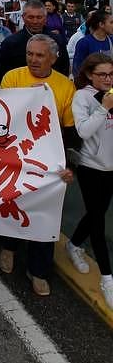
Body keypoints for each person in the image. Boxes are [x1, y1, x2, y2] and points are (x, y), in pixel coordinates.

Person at [0, 35, 75, 296]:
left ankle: (39, 270)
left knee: (45, 213)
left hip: (49, 163)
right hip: (15, 158)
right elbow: (2, 115)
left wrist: (67, 164)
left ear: (53, 58)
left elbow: (70, 131)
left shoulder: (65, 86)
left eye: (40, 55)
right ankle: (9, 246)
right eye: (30, 54)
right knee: (12, 204)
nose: (33, 59)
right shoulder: (12, 77)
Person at [66, 54, 113, 310]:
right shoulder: (83, 97)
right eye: (102, 74)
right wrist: (104, 107)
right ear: (89, 75)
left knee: (98, 212)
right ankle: (107, 279)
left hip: (111, 167)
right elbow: (83, 131)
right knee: (97, 222)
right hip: (90, 167)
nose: (108, 79)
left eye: (111, 74)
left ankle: (73, 245)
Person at [0, 0, 70, 81]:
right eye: (31, 17)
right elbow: (2, 73)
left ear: (45, 18)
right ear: (23, 18)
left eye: (39, 17)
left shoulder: (57, 40)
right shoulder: (10, 43)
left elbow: (64, 68)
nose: (35, 21)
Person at [71, 10, 113, 78]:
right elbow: (77, 69)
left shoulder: (111, 40)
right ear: (101, 24)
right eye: (111, 22)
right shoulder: (84, 43)